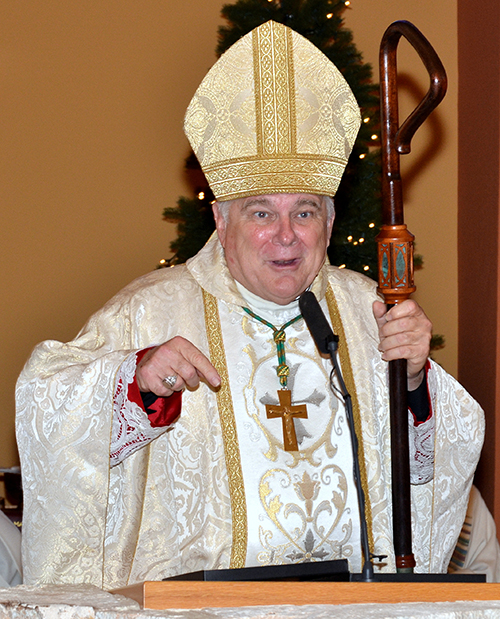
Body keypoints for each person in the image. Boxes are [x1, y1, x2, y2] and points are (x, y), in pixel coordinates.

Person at [16, 20, 484, 590]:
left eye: (305, 212)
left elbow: (440, 459)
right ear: (221, 219)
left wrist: (414, 384)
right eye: (261, 213)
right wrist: (134, 385)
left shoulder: (368, 307)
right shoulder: (150, 311)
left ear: (330, 223)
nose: (286, 236)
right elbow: (47, 409)